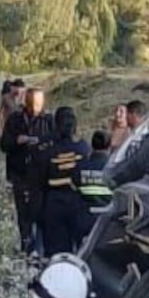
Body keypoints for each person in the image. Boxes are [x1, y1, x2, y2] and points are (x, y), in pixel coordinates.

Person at [0, 88, 53, 258]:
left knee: (38, 209)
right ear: (27, 102)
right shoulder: (15, 119)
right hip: (19, 171)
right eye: (33, 103)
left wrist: (42, 143)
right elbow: (3, 144)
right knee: (22, 208)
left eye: (39, 103)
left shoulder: (48, 121)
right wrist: (17, 140)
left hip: (41, 172)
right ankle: (25, 241)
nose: (36, 107)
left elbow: (55, 143)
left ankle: (37, 244)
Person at [41, 106, 89, 255]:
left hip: (53, 203)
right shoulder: (83, 148)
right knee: (80, 251)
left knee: (57, 253)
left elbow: (41, 179)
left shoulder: (48, 150)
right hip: (78, 203)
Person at [72, 130, 111, 245]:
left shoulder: (81, 166)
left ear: (92, 146)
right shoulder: (113, 167)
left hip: (84, 217)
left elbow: (75, 183)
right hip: (105, 220)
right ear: (108, 146)